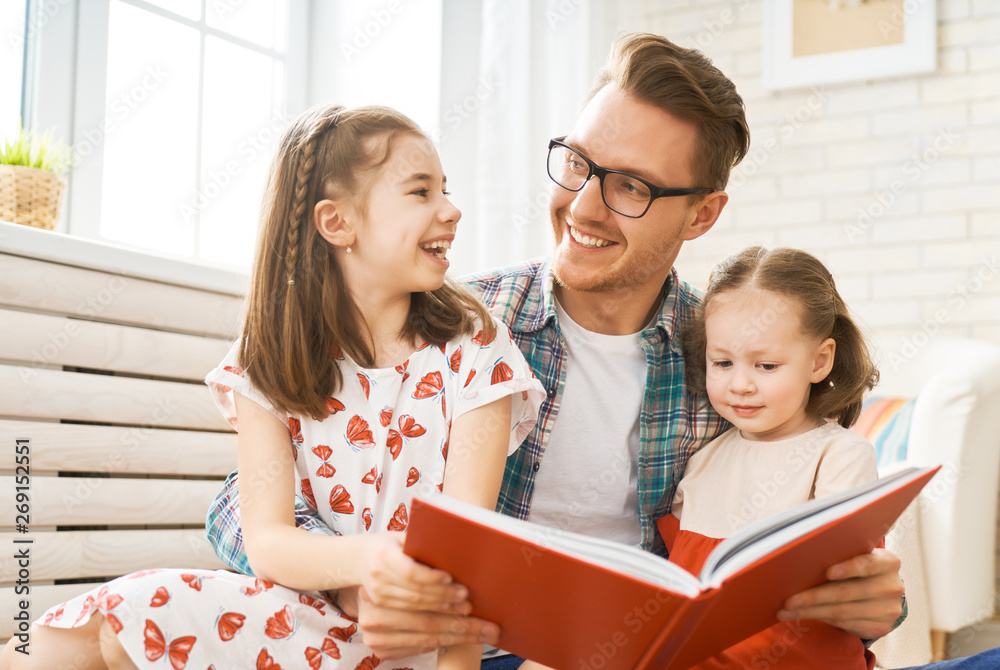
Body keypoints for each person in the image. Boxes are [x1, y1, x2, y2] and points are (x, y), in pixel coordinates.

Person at [205, 33, 1000, 669]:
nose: (581, 205)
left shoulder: (724, 363)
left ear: (703, 215)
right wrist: (361, 579)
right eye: (579, 164)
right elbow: (237, 505)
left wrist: (871, 600)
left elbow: (800, 524)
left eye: (630, 186)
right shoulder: (453, 325)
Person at [0, 104, 544, 670]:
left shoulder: (479, 349)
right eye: (420, 192)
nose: (451, 210)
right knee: (101, 626)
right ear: (337, 223)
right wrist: (370, 560)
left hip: (418, 639)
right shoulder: (266, 364)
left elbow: (463, 558)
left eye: (445, 190)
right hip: (306, 614)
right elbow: (269, 544)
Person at [659, 245, 881, 669]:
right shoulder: (702, 459)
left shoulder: (839, 455)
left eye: (766, 366)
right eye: (722, 362)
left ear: (819, 361)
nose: (740, 384)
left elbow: (848, 590)